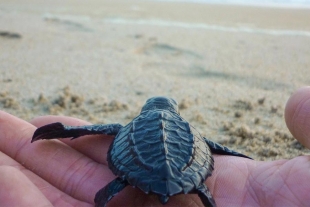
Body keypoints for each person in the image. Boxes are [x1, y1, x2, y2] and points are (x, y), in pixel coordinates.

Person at [0, 87, 309, 207]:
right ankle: (203, 196)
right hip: (189, 177)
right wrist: (241, 155)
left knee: (118, 183)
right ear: (174, 111)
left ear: (145, 108)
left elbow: (93, 130)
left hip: (134, 174)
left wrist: (63, 131)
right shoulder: (188, 129)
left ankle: (106, 198)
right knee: (200, 188)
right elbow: (212, 147)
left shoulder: (128, 128)